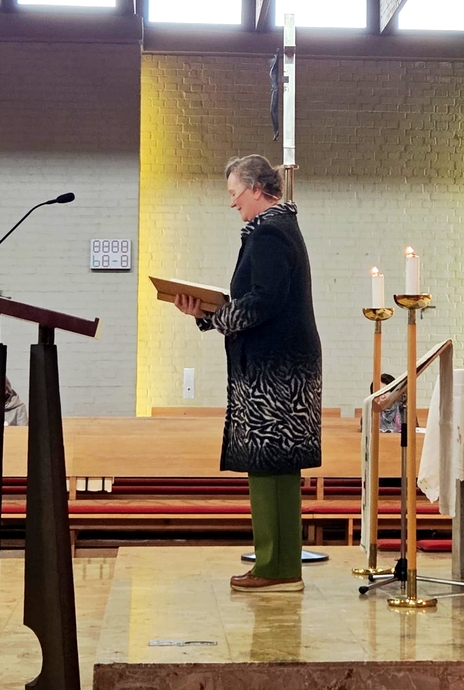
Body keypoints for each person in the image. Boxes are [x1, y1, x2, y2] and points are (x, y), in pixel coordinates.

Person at [175, 154, 322, 593]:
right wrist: (205, 313)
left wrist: (215, 316)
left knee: (269, 463)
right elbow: (261, 298)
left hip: (274, 372)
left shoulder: (269, 232)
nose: (232, 202)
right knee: (277, 466)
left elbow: (264, 301)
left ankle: (276, 569)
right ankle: (280, 565)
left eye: (234, 192)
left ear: (257, 188)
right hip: (284, 365)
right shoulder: (279, 227)